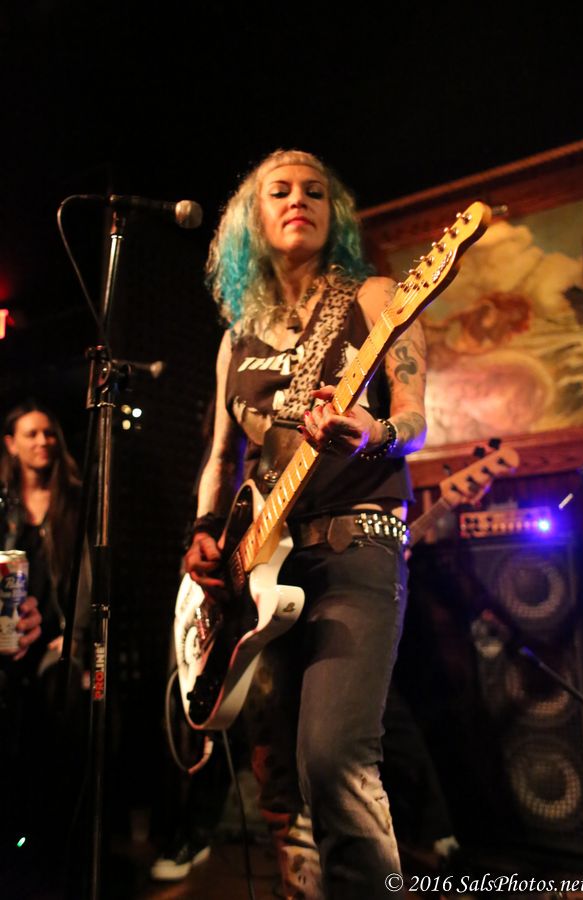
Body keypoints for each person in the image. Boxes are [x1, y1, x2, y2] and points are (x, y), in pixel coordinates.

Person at [185, 149, 427, 900]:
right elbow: (220, 457)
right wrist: (203, 531)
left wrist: (372, 431)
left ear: (335, 213)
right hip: (261, 574)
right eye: (280, 191)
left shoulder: (377, 296)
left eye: (315, 191)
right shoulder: (236, 340)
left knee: (334, 759)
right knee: (280, 780)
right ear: (250, 220)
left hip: (355, 544)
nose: (299, 200)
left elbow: (416, 420)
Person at [0, 400, 88, 885]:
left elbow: (89, 577)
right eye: (31, 434)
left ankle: (55, 853)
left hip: (56, 641)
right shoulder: (4, 505)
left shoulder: (73, 499)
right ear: (10, 444)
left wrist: (75, 640)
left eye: (48, 432)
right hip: (9, 640)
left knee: (57, 737)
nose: (42, 441)